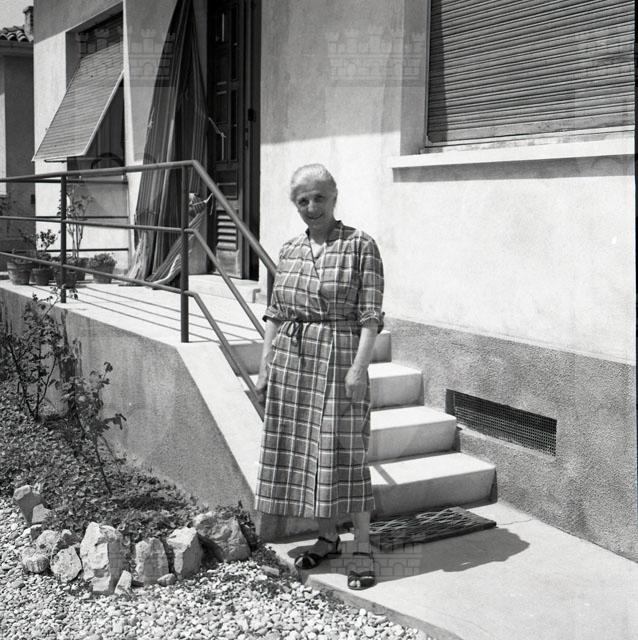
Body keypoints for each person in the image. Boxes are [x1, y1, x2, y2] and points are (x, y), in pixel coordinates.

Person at [254, 164, 384, 590]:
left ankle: (361, 547)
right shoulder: (290, 249)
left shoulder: (360, 245)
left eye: (319, 198)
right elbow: (276, 312)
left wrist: (359, 368)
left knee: (347, 452)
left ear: (334, 197)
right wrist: (265, 366)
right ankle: (327, 537)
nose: (312, 207)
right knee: (311, 454)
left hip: (341, 357)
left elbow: (370, 316)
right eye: (303, 200)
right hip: (294, 362)